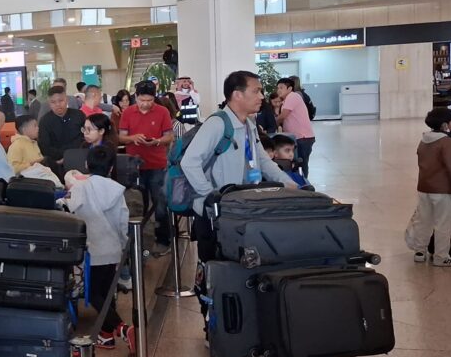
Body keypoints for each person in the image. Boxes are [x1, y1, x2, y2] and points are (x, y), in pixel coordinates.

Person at [182, 71, 300, 262]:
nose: (261, 96)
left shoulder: (249, 124)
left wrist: (287, 183)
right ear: (237, 94)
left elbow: (262, 160)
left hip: (241, 206)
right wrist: (209, 195)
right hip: (216, 211)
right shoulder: (217, 124)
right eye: (256, 91)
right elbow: (189, 162)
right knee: (217, 265)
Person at [65, 144, 132, 350]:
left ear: (87, 164)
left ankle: (122, 328)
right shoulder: (117, 190)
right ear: (111, 168)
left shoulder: (81, 188)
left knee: (94, 293)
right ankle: (106, 335)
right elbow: (123, 221)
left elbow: (70, 210)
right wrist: (123, 244)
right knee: (107, 292)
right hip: (113, 249)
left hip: (92, 249)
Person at [406, 107, 451, 267]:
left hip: (424, 187)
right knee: (443, 223)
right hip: (441, 190)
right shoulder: (446, 142)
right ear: (445, 125)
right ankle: (441, 256)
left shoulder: (424, 140)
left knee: (423, 220)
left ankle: (420, 252)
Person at [118, 81, 173, 256]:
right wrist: (133, 138)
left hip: (157, 164)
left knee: (160, 203)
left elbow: (169, 136)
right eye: (142, 100)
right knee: (136, 205)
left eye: (149, 100)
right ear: (136, 97)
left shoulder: (162, 111)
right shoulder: (128, 112)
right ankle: (137, 241)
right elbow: (121, 137)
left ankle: (163, 240)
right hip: (134, 165)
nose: (146, 104)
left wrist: (157, 141)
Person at [38, 86, 87, 175]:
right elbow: (44, 147)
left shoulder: (79, 115)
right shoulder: (45, 121)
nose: (58, 104)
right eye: (53, 102)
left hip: (81, 158)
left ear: (67, 100)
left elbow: (86, 137)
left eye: (61, 100)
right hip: (57, 162)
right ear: (49, 103)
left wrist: (71, 156)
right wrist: (65, 156)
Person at [275, 77, 316, 178]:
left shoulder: (293, 96)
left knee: (301, 163)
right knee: (297, 163)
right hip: (297, 137)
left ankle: (304, 183)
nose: (278, 90)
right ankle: (299, 181)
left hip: (303, 137)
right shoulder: (286, 100)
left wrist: (272, 122)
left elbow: (283, 116)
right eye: (277, 88)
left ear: (289, 89)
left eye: (281, 88)